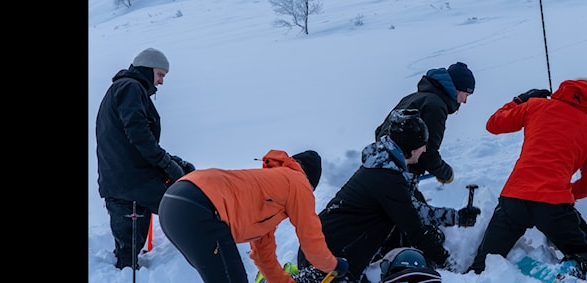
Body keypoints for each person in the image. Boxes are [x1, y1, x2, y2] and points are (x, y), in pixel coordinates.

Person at [294, 109, 480, 283]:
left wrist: (456, 217)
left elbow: (414, 210)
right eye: (422, 145)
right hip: (329, 260)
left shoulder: (385, 169)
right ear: (410, 148)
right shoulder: (387, 179)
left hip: (323, 250)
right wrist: (453, 267)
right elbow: (415, 231)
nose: (424, 150)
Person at [467, 79, 587, 279]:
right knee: (582, 253)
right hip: (554, 207)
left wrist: (521, 100)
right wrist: (564, 192)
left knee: (484, 263)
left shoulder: (535, 105)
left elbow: (494, 124)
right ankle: (570, 270)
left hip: (513, 199)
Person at [158, 149, 349, 283]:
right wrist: (333, 264)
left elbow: (263, 256)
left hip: (172, 205)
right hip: (198, 206)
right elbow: (312, 243)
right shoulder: (298, 181)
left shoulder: (267, 192)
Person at [95, 47, 196, 270]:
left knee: (129, 252)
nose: (161, 82)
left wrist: (174, 162)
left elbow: (137, 140)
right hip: (131, 182)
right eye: (160, 74)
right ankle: (201, 256)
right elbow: (139, 135)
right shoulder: (130, 87)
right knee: (188, 208)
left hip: (124, 179)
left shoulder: (124, 88)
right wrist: (167, 165)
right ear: (147, 69)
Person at [373, 62, 475, 256]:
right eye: (466, 95)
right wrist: (444, 172)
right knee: (418, 224)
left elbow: (380, 131)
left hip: (382, 169)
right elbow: (428, 153)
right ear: (457, 89)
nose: (464, 101)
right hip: (400, 175)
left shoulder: (414, 97)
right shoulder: (436, 106)